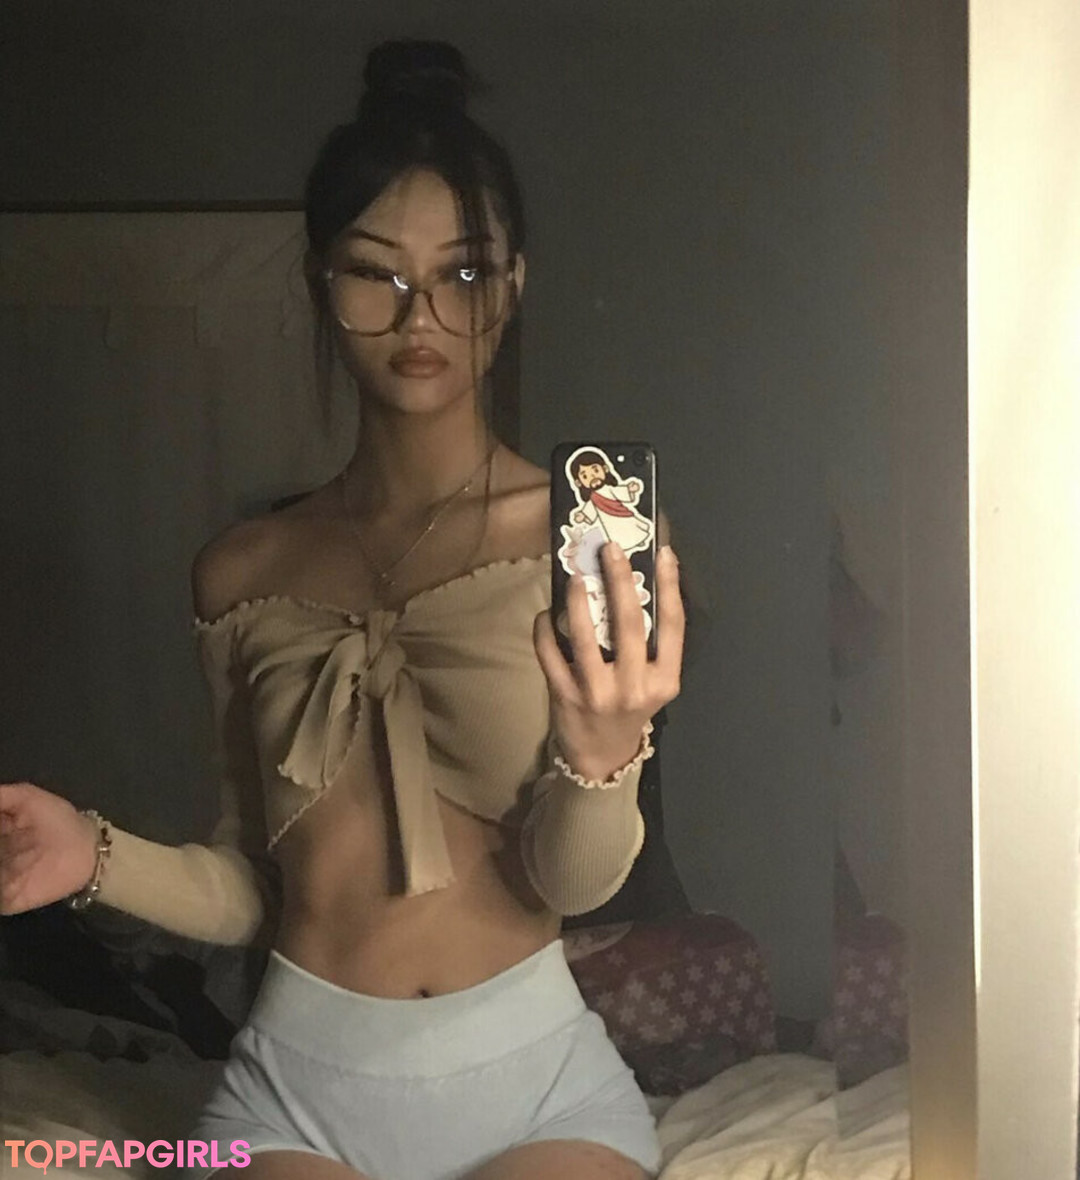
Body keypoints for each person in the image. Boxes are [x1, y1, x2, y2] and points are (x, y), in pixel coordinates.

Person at [0, 39, 685, 1180]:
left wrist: (607, 756)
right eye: (377, 272)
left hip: (539, 1092)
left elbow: (572, 885)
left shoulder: (585, 541)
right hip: (294, 1096)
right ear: (324, 281)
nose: (423, 315)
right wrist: (93, 854)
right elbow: (256, 890)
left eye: (463, 272)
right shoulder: (241, 570)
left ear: (513, 286)